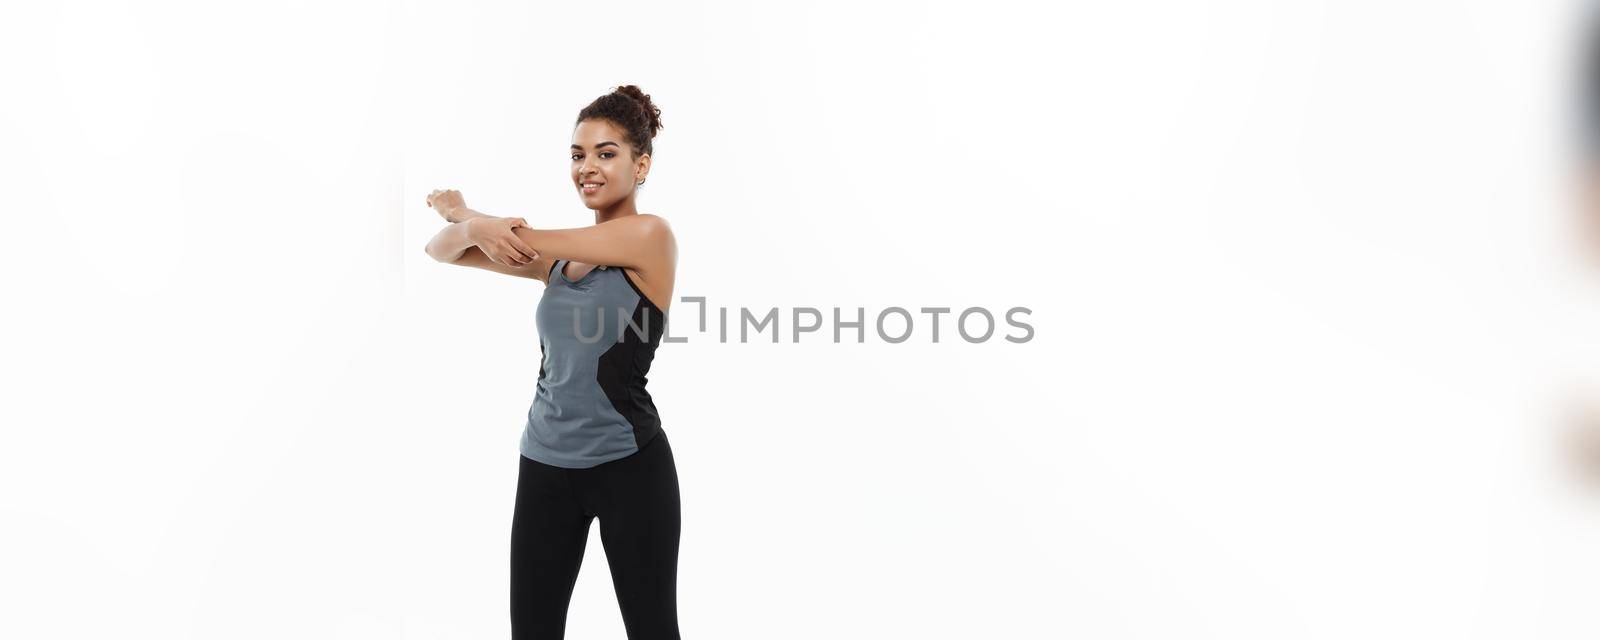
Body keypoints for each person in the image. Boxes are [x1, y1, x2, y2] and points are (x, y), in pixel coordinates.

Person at [422, 85, 681, 639]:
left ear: (642, 164)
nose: (587, 167)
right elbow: (440, 252)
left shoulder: (651, 238)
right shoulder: (560, 263)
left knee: (653, 630)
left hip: (630, 468)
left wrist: (463, 210)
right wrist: (466, 228)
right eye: (577, 154)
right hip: (542, 466)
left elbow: (517, 237)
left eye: (606, 153)